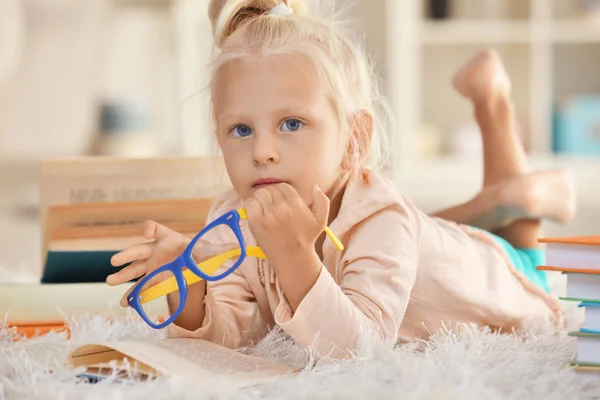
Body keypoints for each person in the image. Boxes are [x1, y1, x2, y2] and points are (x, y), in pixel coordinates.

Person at [106, 0, 576, 359]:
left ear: (354, 137)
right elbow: (237, 333)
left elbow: (360, 351)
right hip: (435, 242)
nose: (262, 151)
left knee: (521, 246)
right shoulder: (232, 216)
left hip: (507, 281)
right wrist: (187, 284)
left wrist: (292, 256)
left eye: (291, 123)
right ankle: (503, 195)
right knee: (455, 223)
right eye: (241, 129)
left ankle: (497, 115)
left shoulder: (380, 218)